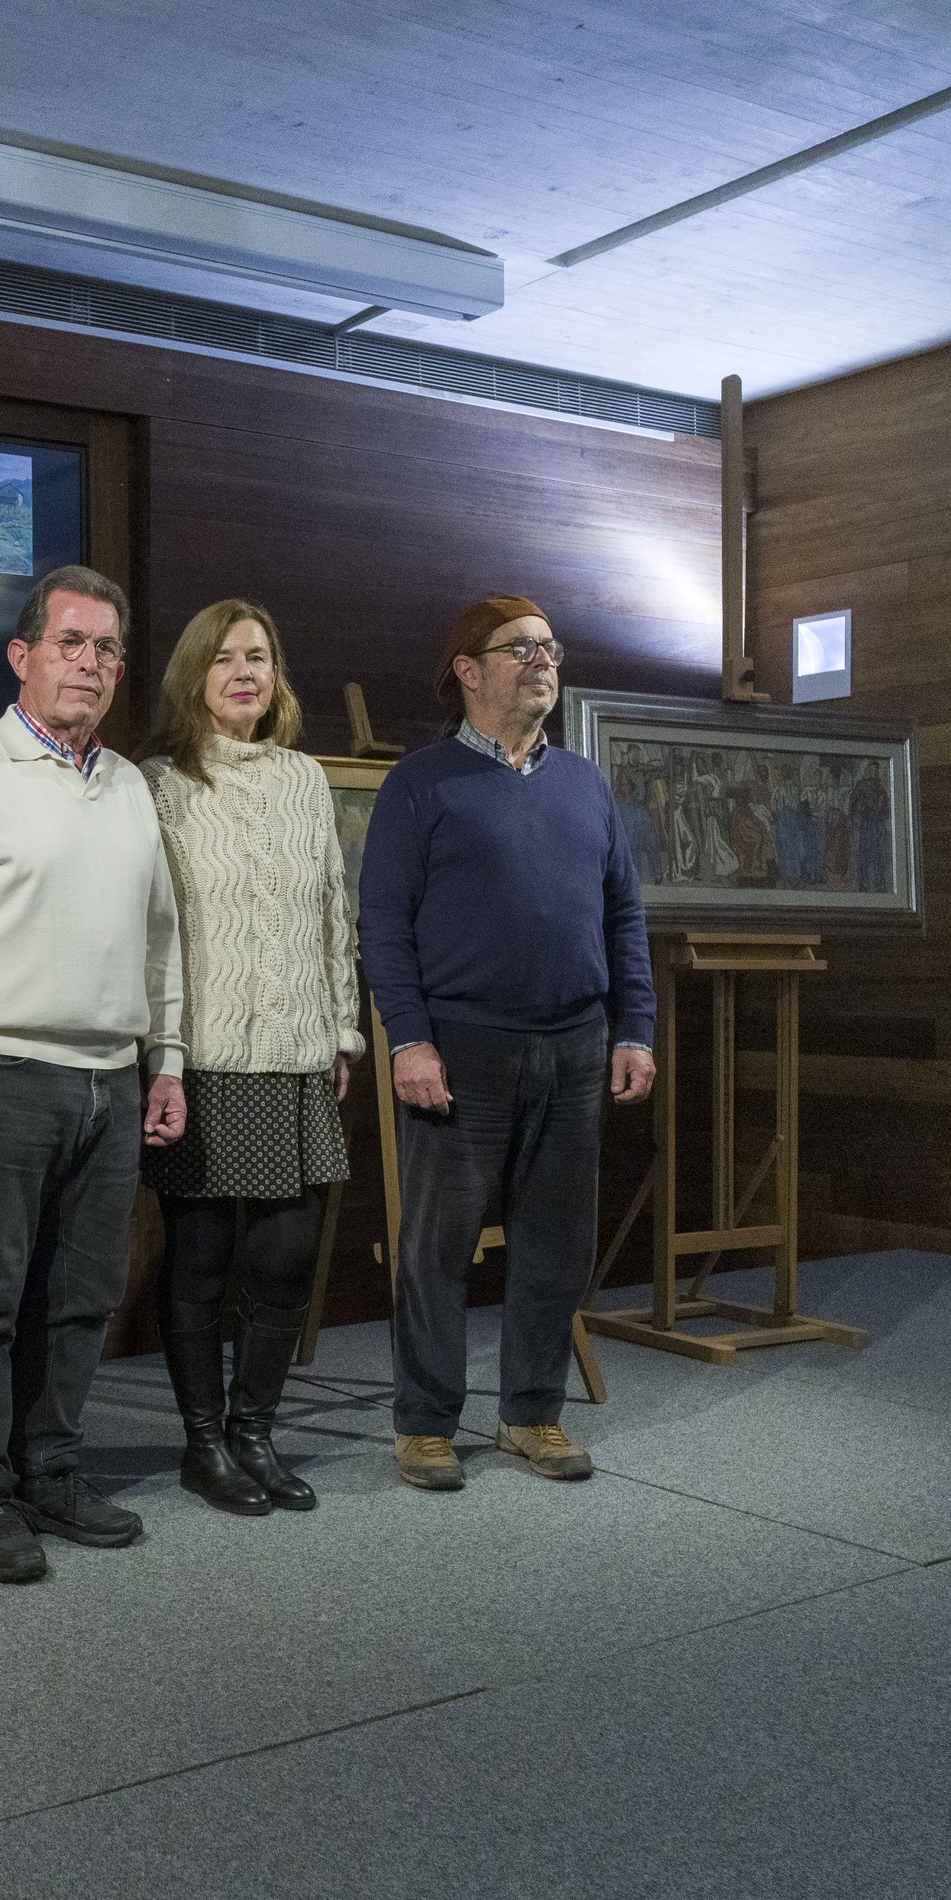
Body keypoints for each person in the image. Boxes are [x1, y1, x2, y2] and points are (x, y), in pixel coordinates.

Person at [0, 564, 186, 1585]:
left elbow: (163, 940)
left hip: (109, 1076)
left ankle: (54, 1467)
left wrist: (167, 1056)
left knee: (85, 1294)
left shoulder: (132, 784)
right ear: (23, 655)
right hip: (1, 1074)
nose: (91, 663)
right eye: (71, 642)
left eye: (107, 648)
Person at [356, 595, 655, 1493]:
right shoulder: (421, 782)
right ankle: (424, 1425)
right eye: (520, 647)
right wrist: (408, 1040)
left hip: (573, 1044)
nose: (542, 661)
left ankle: (531, 1412)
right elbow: (383, 923)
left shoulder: (584, 785)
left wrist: (634, 1025)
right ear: (468, 670)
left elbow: (624, 913)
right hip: (463, 1048)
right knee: (438, 1246)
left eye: (550, 648)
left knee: (557, 1243)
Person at [137, 601, 363, 1515]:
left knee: (284, 1258)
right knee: (197, 1258)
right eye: (225, 658)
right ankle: (202, 1445)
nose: (244, 672)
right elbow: (154, 932)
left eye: (260, 657)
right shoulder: (157, 783)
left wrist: (343, 1029)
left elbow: (332, 914)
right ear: (194, 675)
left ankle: (253, 1434)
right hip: (202, 1054)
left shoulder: (306, 778)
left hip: (299, 1052)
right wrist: (163, 1047)